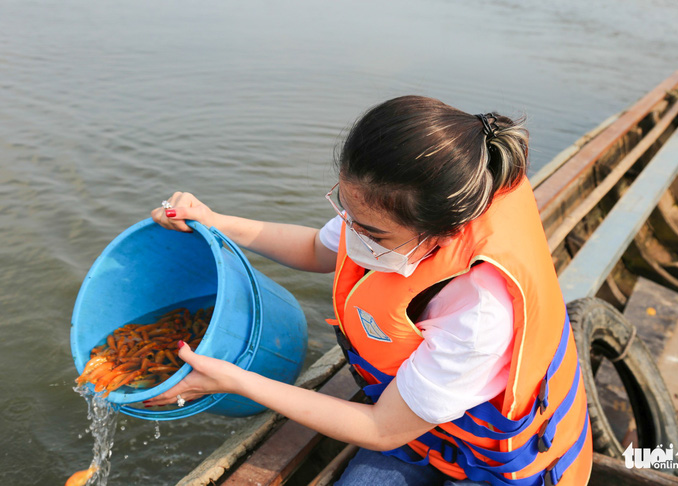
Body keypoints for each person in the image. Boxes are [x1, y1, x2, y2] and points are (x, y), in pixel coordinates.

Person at [144, 95, 593, 485]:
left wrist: (232, 379)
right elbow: (316, 251)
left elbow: (383, 429)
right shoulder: (385, 209)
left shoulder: (479, 310)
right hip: (423, 430)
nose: (351, 236)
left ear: (445, 233)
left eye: (373, 235)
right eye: (346, 211)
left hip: (501, 464)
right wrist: (215, 221)